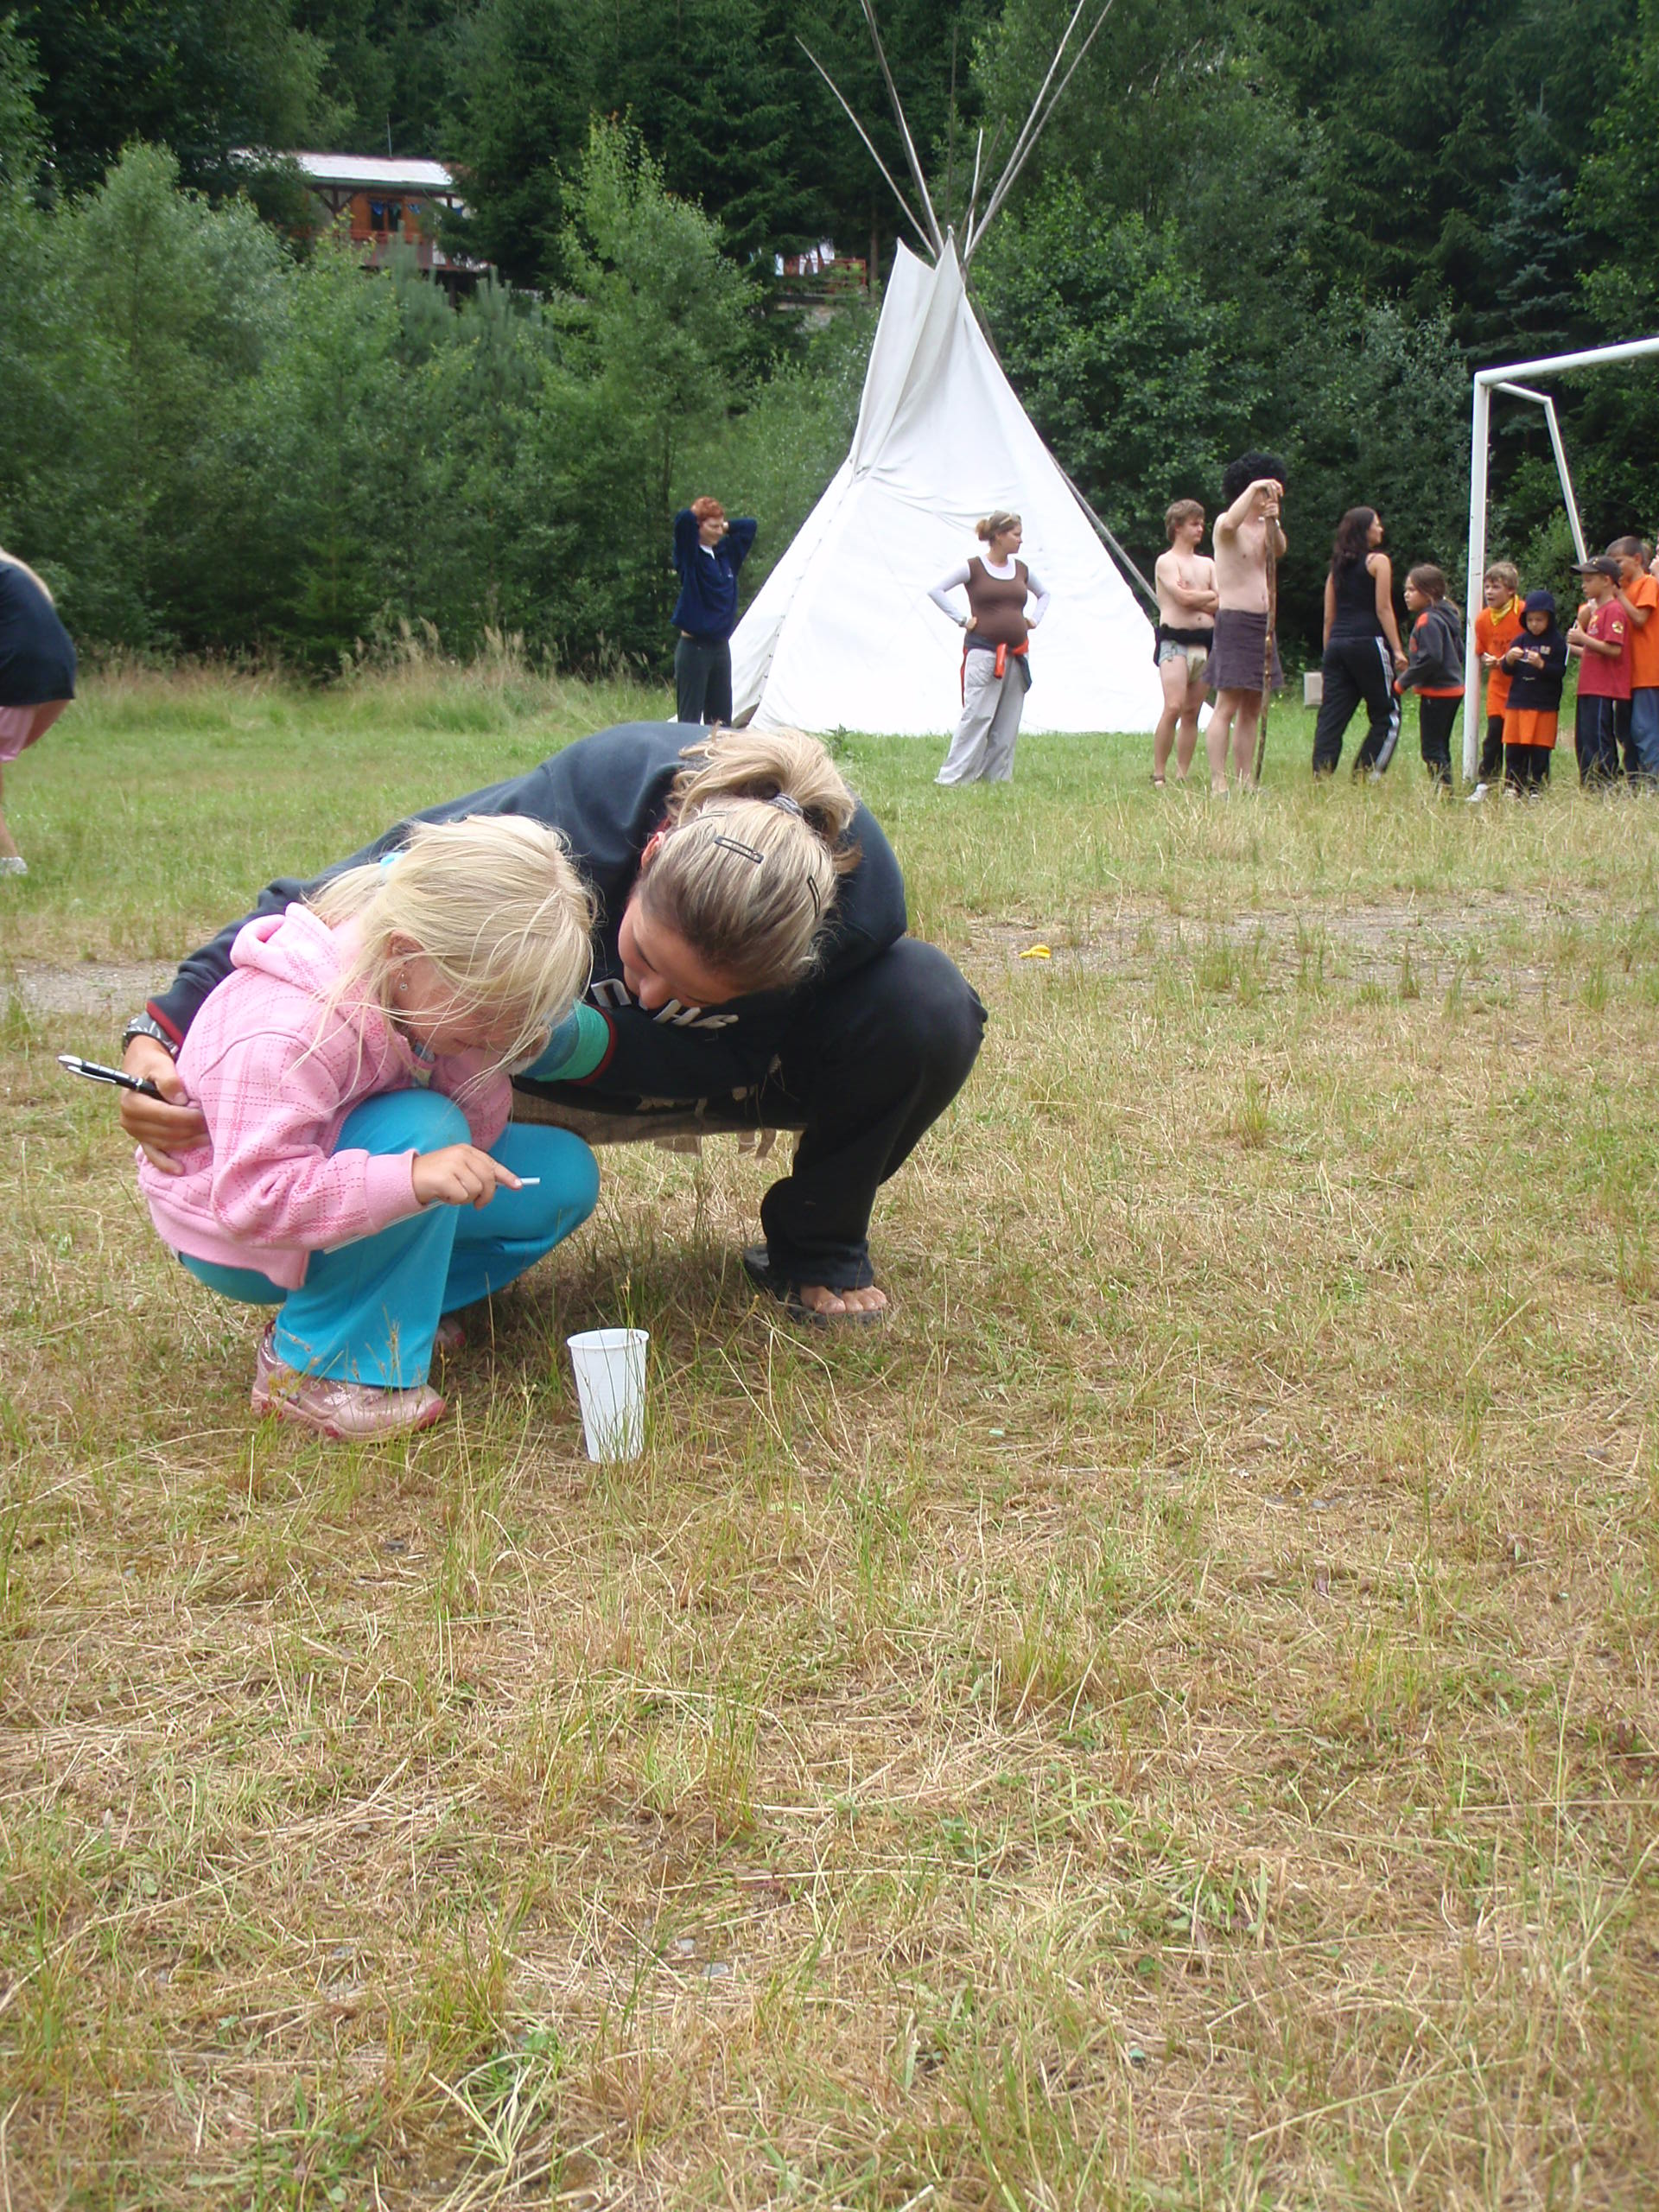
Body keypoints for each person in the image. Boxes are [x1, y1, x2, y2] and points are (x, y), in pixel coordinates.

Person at [118, 723, 986, 1327]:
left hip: (718, 1072)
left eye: (690, 991)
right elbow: (338, 901)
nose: (647, 992)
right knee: (408, 1061)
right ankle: (380, 1285)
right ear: (646, 858)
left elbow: (806, 1040)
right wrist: (161, 1031)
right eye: (640, 955)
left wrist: (618, 1040)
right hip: (506, 1064)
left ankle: (817, 1245)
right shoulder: (576, 812)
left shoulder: (853, 918)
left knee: (930, 1004)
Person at [136, 817, 602, 1440]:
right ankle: (313, 1367)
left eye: (520, 1014)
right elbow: (251, 1202)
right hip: (234, 1233)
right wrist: (410, 1177)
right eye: (492, 1011)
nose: (506, 1032)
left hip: (340, 1175)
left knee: (561, 1179)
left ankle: (391, 1314)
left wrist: (478, 1053)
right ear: (406, 955)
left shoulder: (421, 999)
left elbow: (478, 1135)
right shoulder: (292, 1028)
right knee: (429, 1129)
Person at [928, 513, 1050, 786]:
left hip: (1016, 654)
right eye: (1016, 534)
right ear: (999, 535)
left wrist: (1034, 619)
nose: (1020, 540)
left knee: (1008, 719)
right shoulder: (974, 567)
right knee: (978, 715)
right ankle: (953, 777)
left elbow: (1045, 594)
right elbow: (936, 589)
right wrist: (962, 619)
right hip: (984, 653)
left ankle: (997, 777)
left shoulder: (1021, 570)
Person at [1206, 454, 1287, 793]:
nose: (1268, 495)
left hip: (1262, 624)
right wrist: (1254, 488)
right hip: (1235, 620)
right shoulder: (1227, 524)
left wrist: (1274, 520)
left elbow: (1279, 550)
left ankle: (1245, 781)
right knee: (1227, 704)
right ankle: (1219, 781)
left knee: (1253, 706)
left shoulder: (1264, 526)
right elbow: (1228, 525)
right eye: (1264, 490)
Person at [1310, 507, 1408, 779]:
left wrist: (1329, 655)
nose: (1381, 529)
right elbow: (1383, 608)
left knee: (1332, 716)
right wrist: (1397, 650)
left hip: (1337, 645)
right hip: (1369, 642)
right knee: (1387, 714)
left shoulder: (1336, 570)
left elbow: (1329, 617)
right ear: (1365, 530)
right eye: (1377, 524)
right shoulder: (1378, 562)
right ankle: (1365, 774)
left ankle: (1321, 774)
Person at [0, 547, 77, 875]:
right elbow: (42, 605)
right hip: (58, 671)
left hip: (20, 669)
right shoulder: (11, 571)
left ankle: (8, 862)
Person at [671, 497, 758, 728]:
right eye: (713, 526)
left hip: (720, 647)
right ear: (698, 527)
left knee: (720, 722)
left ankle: (718, 753)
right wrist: (699, 515)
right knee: (689, 721)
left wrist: (722, 525)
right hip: (694, 648)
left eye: (722, 526)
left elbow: (749, 526)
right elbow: (683, 521)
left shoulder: (725, 555)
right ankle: (686, 754)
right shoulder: (690, 557)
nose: (719, 531)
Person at [1151, 499, 1217, 786]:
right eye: (1194, 523)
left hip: (1205, 643)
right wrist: (1205, 595)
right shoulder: (1167, 562)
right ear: (1177, 527)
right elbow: (1182, 599)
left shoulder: (1208, 564)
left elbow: (1220, 601)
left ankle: (1182, 774)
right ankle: (1159, 773)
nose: (1200, 528)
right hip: (1175, 641)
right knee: (1174, 706)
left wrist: (1199, 596)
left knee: (1193, 711)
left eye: (1202, 523)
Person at [1394, 565, 1464, 790]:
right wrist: (1414, 665)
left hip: (1438, 692)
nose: (1406, 595)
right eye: (1406, 590)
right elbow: (1458, 654)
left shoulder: (1428, 620)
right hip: (1453, 689)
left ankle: (1443, 791)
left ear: (1429, 592)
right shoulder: (1447, 616)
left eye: (1412, 590)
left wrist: (1402, 682)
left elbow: (1432, 658)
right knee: (1441, 745)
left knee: (1432, 749)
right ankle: (1446, 790)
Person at [1567, 556, 1630, 786]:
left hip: (1603, 687)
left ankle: (1606, 781)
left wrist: (1582, 638)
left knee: (1599, 735)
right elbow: (1593, 652)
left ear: (1606, 580)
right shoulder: (1596, 612)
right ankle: (1589, 781)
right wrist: (1571, 646)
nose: (1584, 585)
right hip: (1589, 686)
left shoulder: (1614, 610)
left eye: (1589, 580)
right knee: (1585, 736)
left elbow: (1614, 649)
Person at [1500, 591, 1569, 795]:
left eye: (1539, 619)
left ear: (1549, 619)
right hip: (1518, 702)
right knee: (1514, 747)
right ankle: (1513, 784)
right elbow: (1507, 670)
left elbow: (1560, 672)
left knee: (1540, 748)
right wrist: (1509, 659)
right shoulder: (1520, 640)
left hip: (1544, 705)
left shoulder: (1557, 642)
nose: (1534, 624)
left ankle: (1537, 787)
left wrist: (1541, 665)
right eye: (1530, 620)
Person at [1467, 563, 1524, 803]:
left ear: (1510, 590)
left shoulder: (1523, 613)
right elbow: (1480, 650)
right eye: (1487, 587)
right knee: (1493, 736)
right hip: (1497, 688)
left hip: (1520, 688)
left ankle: (1513, 783)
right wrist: (1487, 659)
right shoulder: (1482, 619)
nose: (1489, 592)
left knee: (1515, 738)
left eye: (1496, 587)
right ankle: (1485, 782)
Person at [1609, 537, 1659, 785]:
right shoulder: (1624, 589)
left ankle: (1652, 778)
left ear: (1637, 559)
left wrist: (1619, 596)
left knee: (1645, 728)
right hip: (1626, 674)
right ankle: (1634, 778)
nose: (1616, 568)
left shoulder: (1648, 583)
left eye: (1619, 562)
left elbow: (1640, 618)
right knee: (1625, 729)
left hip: (1647, 672)